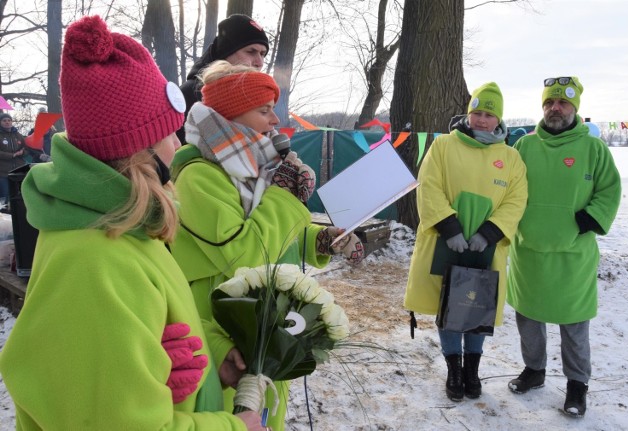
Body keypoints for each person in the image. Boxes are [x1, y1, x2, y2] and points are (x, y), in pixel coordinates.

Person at [0, 16, 265, 431]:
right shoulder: (93, 261)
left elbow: (139, 339)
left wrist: (206, 358)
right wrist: (235, 427)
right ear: (134, 150)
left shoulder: (124, 226)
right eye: (167, 134)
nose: (177, 146)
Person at [169, 60, 364, 431]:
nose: (275, 121)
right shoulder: (199, 177)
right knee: (233, 414)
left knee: (268, 412)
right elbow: (243, 253)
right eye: (264, 110)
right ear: (230, 116)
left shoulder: (257, 168)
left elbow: (276, 231)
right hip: (222, 326)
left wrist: (320, 239)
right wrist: (286, 197)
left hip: (265, 316)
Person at [404, 82, 528, 402]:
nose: (481, 120)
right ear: (468, 113)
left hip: (486, 247)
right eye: (477, 112)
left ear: (498, 119)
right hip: (448, 242)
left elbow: (516, 200)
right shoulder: (444, 146)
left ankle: (472, 369)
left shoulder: (511, 158)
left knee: (477, 306)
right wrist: (449, 226)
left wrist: (490, 232)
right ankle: (453, 369)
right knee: (450, 304)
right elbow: (429, 186)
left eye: (488, 114)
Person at [506, 76, 621, 418]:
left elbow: (610, 190)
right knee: (528, 318)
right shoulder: (524, 146)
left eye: (562, 103)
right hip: (528, 252)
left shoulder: (593, 148)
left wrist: (589, 220)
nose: (555, 108)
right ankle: (534, 371)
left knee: (573, 323)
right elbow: (508, 188)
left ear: (575, 108)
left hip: (573, 255)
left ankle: (576, 386)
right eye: (549, 103)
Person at [178, 14, 269, 144]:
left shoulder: (255, 99)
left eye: (262, 54)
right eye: (251, 51)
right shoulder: (190, 94)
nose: (259, 62)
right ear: (226, 52)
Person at [0, 112, 26, 208]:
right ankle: (5, 219)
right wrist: (13, 155)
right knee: (5, 197)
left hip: (18, 171)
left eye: (9, 120)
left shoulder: (18, 135)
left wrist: (23, 152)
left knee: (20, 196)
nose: (7, 122)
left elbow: (26, 148)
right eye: (4, 121)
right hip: (3, 172)